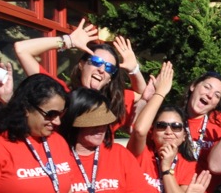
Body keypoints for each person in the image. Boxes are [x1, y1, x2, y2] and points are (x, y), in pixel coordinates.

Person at [128, 62, 215, 193]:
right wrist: (160, 93)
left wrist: (166, 168)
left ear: (184, 135)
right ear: (153, 132)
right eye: (162, 126)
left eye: (176, 127)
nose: (169, 131)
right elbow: (139, 131)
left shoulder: (188, 164)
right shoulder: (142, 152)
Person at [13, 19, 146, 132]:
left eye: (109, 67)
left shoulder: (114, 103)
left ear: (109, 78)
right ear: (82, 65)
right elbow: (22, 50)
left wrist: (134, 70)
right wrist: (68, 41)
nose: (101, 69)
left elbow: (144, 94)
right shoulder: (60, 94)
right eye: (96, 62)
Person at [182, 70, 221, 157]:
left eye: (217, 95)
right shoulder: (172, 117)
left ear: (217, 104)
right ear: (193, 86)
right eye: (207, 87)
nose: (210, 95)